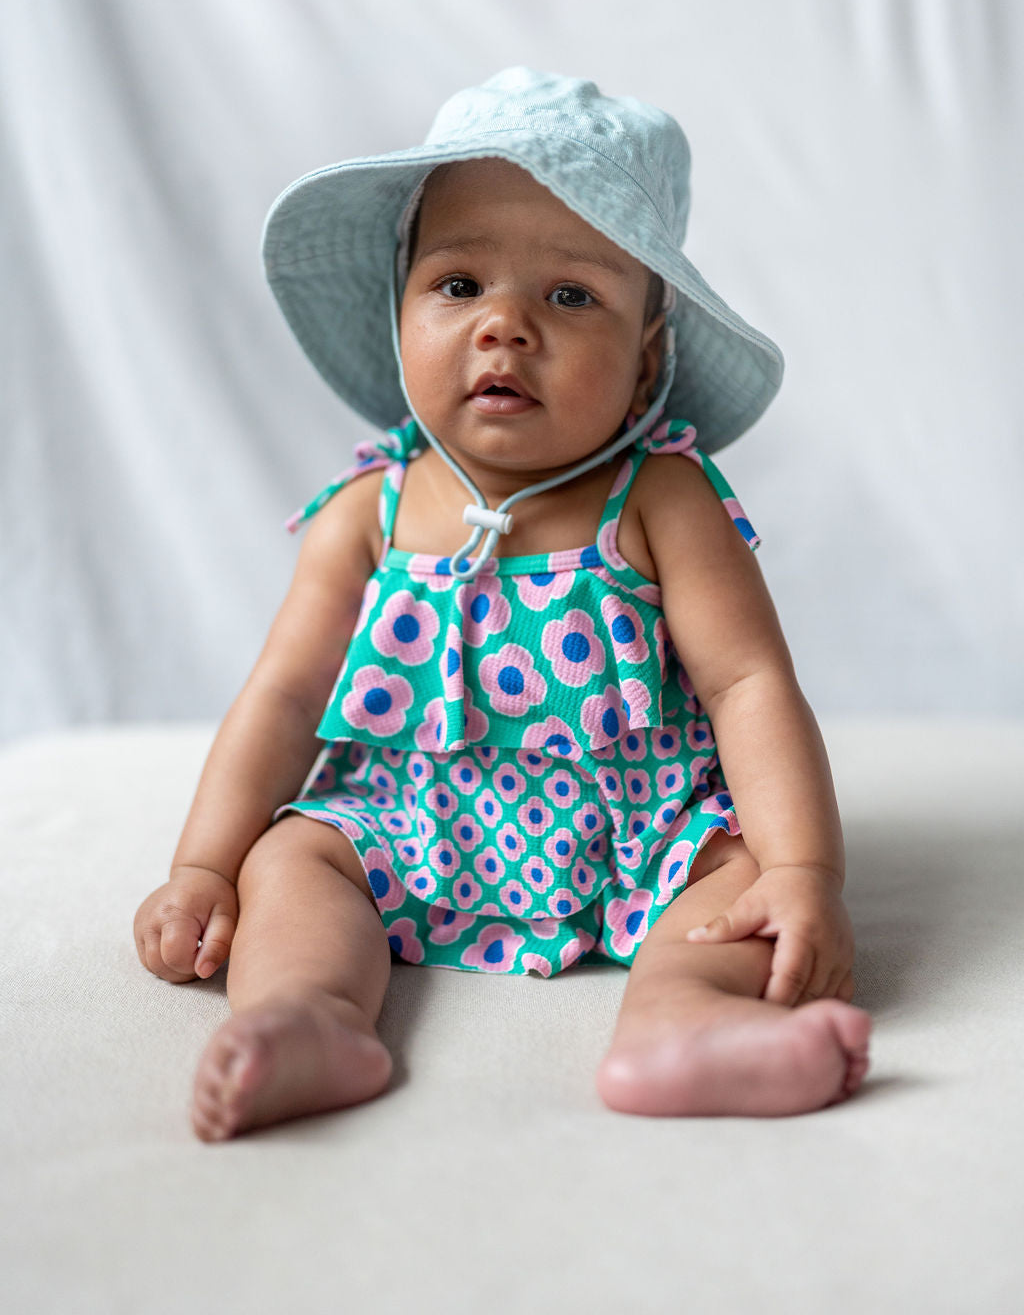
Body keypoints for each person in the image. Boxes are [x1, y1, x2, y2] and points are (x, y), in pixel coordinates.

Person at [134, 68, 872, 1142]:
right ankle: (308, 1017)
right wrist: (203, 866)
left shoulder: (660, 498)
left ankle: (678, 1023)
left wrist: (805, 870)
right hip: (406, 822)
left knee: (736, 873)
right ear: (398, 315)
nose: (504, 328)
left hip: (638, 828)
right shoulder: (368, 511)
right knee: (293, 861)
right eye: (458, 285)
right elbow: (285, 696)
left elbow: (748, 683)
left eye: (570, 296)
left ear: (646, 359)